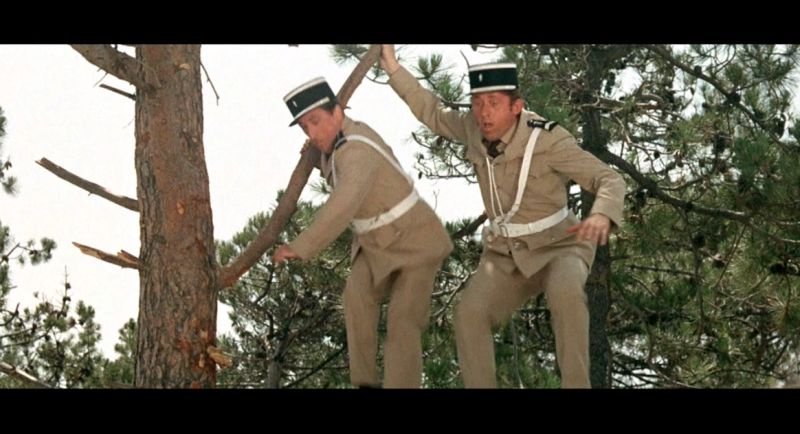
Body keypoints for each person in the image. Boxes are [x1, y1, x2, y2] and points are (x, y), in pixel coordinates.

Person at [379, 45, 626, 388]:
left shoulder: (548, 140)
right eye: (477, 103)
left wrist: (601, 215)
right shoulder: (473, 128)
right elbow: (432, 111)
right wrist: (393, 68)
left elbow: (609, 179)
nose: (484, 113)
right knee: (469, 314)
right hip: (506, 252)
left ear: (516, 106)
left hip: (560, 245)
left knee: (566, 293)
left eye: (494, 103)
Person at [271, 77, 453, 388]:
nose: (312, 134)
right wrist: (319, 159)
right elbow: (338, 167)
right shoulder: (339, 144)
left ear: (337, 113)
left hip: (415, 239)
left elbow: (342, 204)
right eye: (304, 128)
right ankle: (365, 384)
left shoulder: (356, 149)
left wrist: (300, 246)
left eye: (316, 122)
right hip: (376, 243)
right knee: (356, 299)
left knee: (403, 321)